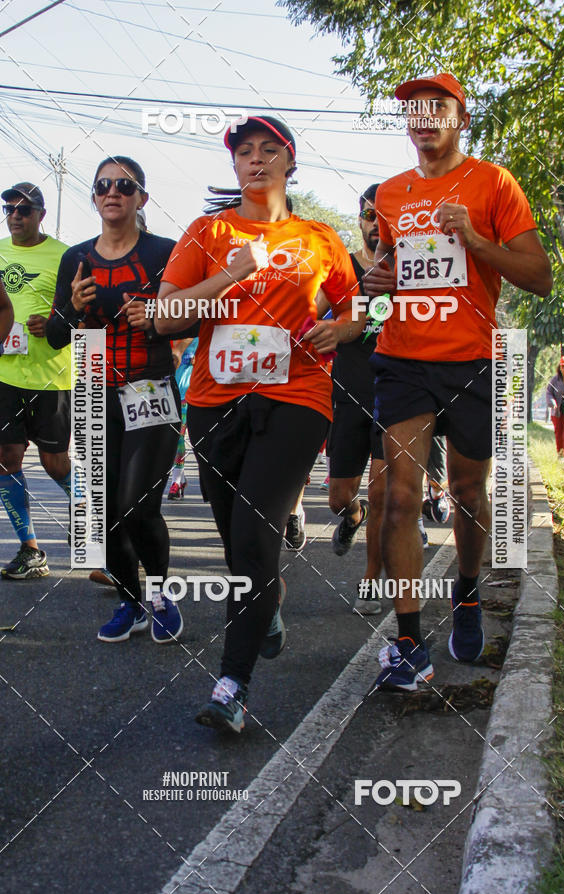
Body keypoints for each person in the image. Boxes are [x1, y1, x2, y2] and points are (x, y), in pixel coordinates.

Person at [156, 115, 361, 733]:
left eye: (270, 150)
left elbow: (361, 310)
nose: (257, 160)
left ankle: (231, 687)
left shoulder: (320, 239)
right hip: (215, 402)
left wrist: (344, 328)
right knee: (237, 537)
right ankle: (266, 601)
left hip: (296, 396)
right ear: (235, 167)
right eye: (245, 152)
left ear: (291, 162)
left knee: (253, 529)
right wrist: (232, 272)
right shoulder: (207, 232)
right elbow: (166, 318)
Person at [364, 73, 552, 690]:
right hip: (403, 359)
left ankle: (467, 592)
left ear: (460, 118)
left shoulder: (494, 183)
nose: (424, 118)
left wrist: (473, 238)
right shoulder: (389, 193)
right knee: (399, 497)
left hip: (471, 359)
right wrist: (379, 282)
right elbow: (394, 274)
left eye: (437, 107)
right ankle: (410, 642)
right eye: (415, 110)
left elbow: (537, 275)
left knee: (469, 496)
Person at [46, 156, 183, 643]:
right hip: (93, 389)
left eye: (124, 185)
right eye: (103, 185)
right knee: (100, 515)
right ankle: (131, 601)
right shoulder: (76, 258)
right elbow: (59, 336)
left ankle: (162, 595)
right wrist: (73, 307)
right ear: (95, 196)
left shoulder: (164, 251)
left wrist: (160, 317)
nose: (112, 192)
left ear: (141, 197)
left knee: (138, 505)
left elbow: (190, 320)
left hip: (151, 386)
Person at [0, 183, 71, 579]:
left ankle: (94, 522)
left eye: (23, 210)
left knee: (55, 464)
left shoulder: (65, 256)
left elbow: (83, 313)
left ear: (40, 214)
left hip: (51, 377)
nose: (14, 216)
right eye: (8, 208)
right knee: (5, 458)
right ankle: (31, 552)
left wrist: (56, 324)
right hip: (5, 373)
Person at [323, 183, 386, 614]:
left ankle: (371, 580)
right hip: (346, 392)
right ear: (360, 220)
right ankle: (353, 515)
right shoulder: (343, 269)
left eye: (385, 217)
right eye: (369, 215)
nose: (376, 223)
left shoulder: (415, 271)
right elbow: (311, 308)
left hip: (398, 396)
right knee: (338, 497)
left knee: (387, 495)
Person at [168, 337, 198, 499]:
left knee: (180, 436)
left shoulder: (201, 336)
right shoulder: (166, 333)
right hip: (169, 393)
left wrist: (199, 360)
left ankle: (177, 481)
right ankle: (179, 479)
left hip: (191, 394)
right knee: (175, 438)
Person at [546, 356, 564, 462]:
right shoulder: (555, 379)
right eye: (562, 366)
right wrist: (552, 402)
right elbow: (549, 392)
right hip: (557, 411)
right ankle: (560, 454)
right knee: (559, 433)